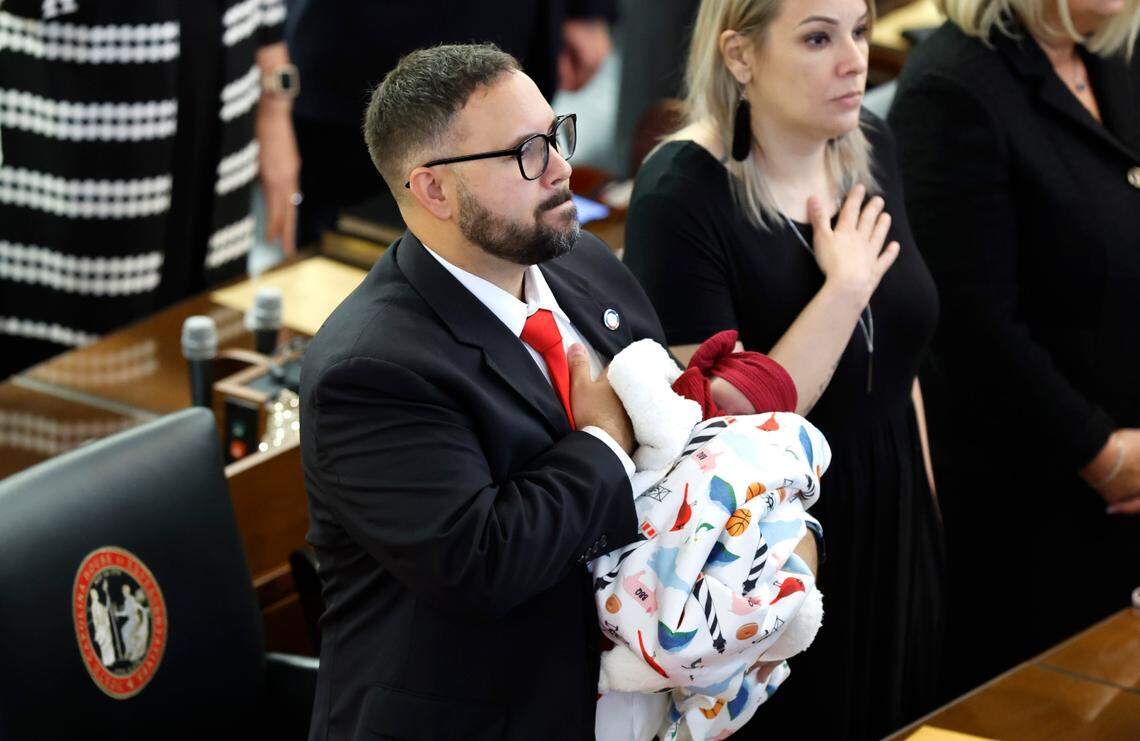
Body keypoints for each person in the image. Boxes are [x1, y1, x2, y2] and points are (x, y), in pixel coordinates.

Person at [300, 43, 808, 739]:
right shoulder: (370, 370)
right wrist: (603, 440)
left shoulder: (583, 264)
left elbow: (676, 452)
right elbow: (483, 561)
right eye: (526, 152)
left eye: (556, 134)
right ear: (433, 190)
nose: (563, 167)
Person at [622, 0, 946, 737]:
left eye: (859, 31)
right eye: (817, 37)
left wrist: (929, 509)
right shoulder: (681, 194)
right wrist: (845, 289)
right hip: (775, 549)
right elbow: (722, 424)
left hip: (895, 511)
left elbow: (904, 356)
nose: (854, 59)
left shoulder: (868, 143)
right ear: (740, 57)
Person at [888, 0, 1140, 695]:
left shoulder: (1110, 51)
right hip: (1037, 506)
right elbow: (972, 330)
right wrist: (1104, 453)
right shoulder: (953, 88)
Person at [0, 0, 300, 379]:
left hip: (218, 118)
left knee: (207, 350)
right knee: (87, 380)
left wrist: (275, 105)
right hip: (92, 150)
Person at [286, 0, 617, 247]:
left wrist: (585, 7)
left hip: (503, 26)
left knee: (516, 233)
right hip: (353, 57)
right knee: (341, 248)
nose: (565, 169)